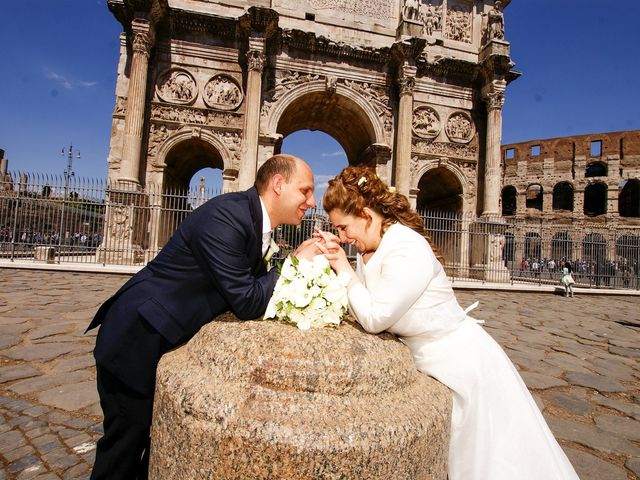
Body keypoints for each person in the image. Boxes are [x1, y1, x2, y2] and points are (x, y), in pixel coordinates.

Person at [315, 166, 579, 480]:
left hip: (461, 365)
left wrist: (342, 268)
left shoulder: (406, 246)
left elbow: (374, 317)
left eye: (344, 228)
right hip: (430, 361)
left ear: (365, 214)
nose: (343, 238)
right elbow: (363, 301)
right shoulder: (372, 247)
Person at [86, 154, 319, 480]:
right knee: (123, 447)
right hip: (135, 339)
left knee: (156, 443)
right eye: (305, 190)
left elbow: (256, 286)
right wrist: (295, 263)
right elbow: (248, 300)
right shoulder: (227, 216)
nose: (312, 201)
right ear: (278, 184)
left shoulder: (251, 219)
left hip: (163, 337)